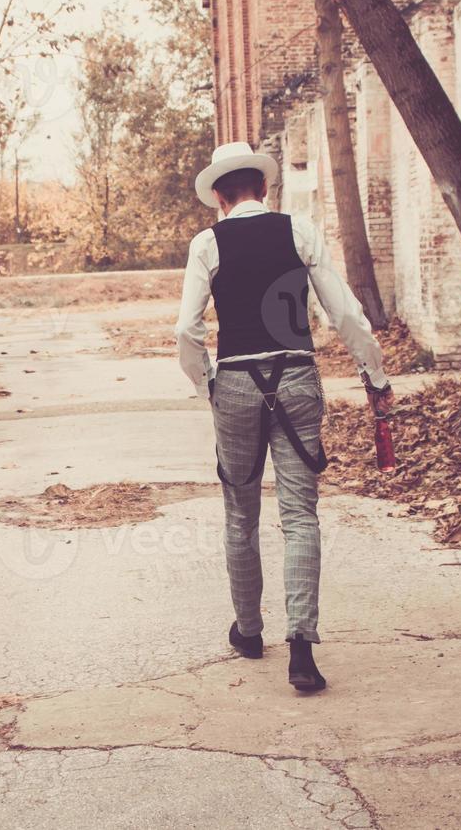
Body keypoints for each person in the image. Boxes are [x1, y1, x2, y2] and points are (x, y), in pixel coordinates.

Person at [174, 141, 394, 693]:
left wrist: (209, 384)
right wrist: (375, 375)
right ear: (264, 190)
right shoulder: (299, 230)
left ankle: (249, 630)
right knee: (300, 516)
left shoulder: (208, 243)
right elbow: (344, 311)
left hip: (238, 385)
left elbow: (187, 331)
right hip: (296, 379)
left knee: (240, 514)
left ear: (220, 198)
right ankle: (302, 649)